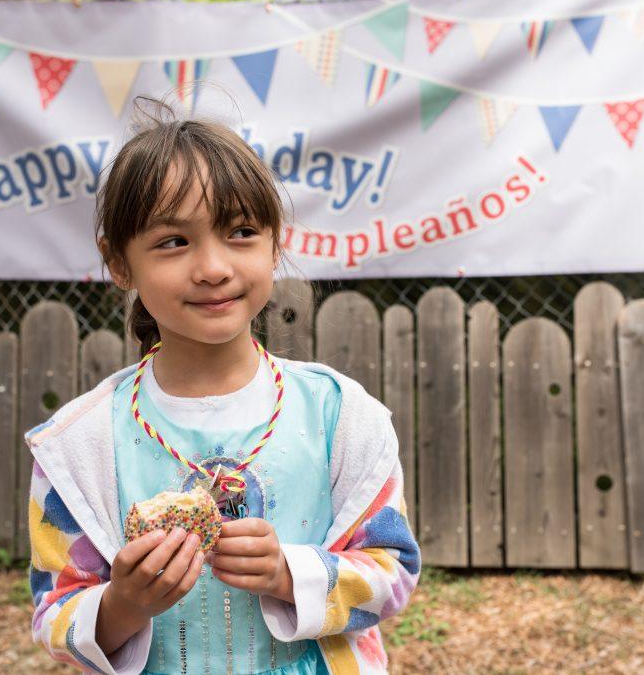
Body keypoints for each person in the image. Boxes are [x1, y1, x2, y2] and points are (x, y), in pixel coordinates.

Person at [25, 99, 420, 675]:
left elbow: (395, 572)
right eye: (174, 241)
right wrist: (123, 604)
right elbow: (54, 612)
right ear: (119, 264)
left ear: (274, 243)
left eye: (240, 232)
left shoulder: (341, 415)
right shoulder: (77, 446)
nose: (213, 266)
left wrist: (291, 573)